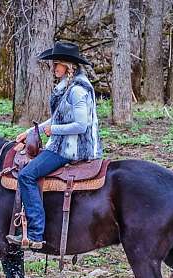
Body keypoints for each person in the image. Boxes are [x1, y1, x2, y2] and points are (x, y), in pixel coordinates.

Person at [6, 41, 103, 249]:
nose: (54, 67)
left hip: (72, 148)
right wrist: (33, 131)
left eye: (58, 63)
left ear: (70, 66)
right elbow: (57, 119)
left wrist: (54, 131)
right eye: (54, 63)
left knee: (27, 175)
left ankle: (35, 233)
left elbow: (81, 125)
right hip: (63, 143)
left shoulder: (77, 90)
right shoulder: (68, 87)